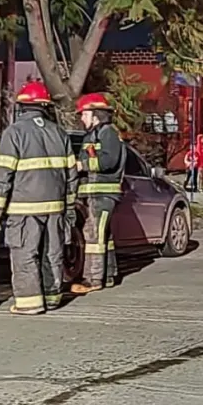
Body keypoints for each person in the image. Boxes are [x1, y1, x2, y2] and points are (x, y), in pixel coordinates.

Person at [0, 81, 77, 315]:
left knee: (25, 253)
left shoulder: (15, 132)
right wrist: (69, 207)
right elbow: (72, 175)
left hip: (24, 208)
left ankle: (29, 302)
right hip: (56, 207)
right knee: (53, 252)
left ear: (23, 106)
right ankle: (52, 296)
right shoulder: (59, 133)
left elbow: (3, 173)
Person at [71, 92, 125, 295]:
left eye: (84, 114)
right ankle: (108, 275)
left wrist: (80, 165)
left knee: (93, 236)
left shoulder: (107, 133)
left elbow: (108, 161)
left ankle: (92, 279)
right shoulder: (96, 134)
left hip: (102, 195)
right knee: (104, 236)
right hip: (95, 194)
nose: (82, 118)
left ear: (95, 115)